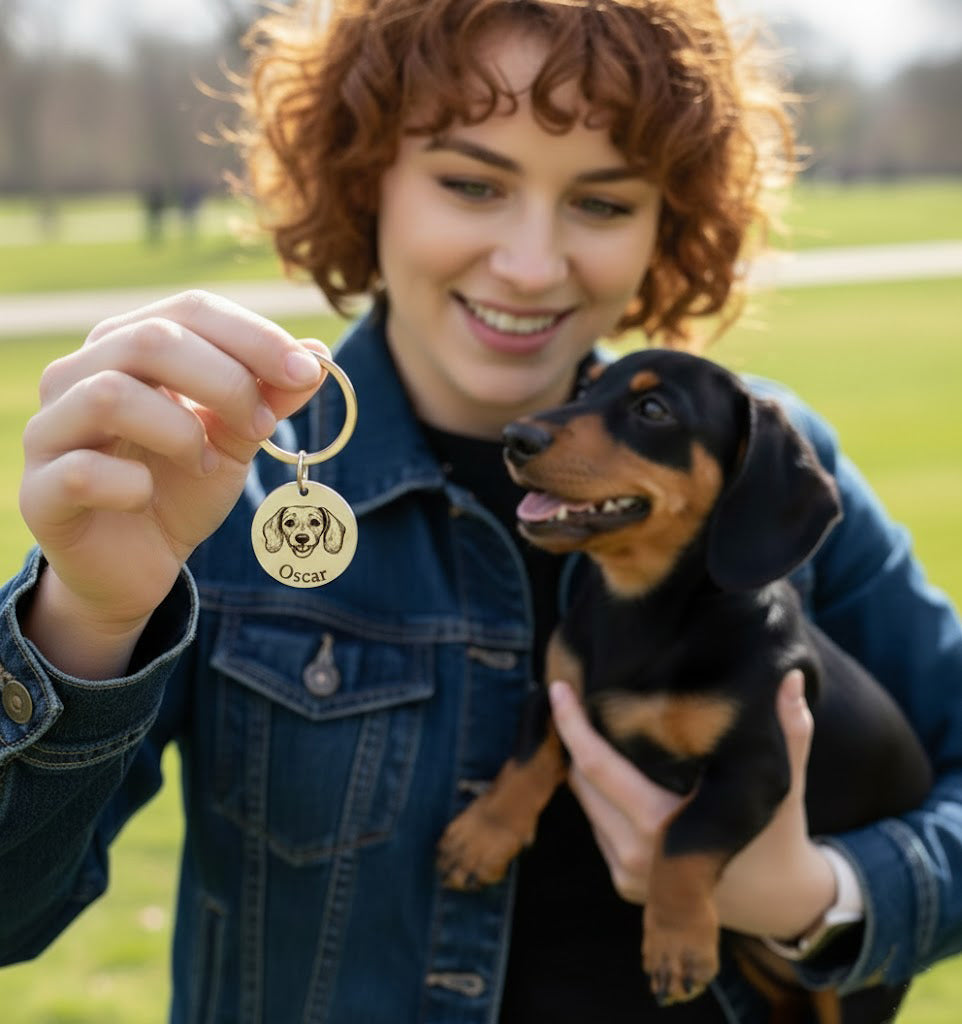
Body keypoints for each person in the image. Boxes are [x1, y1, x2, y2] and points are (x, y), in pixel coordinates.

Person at [1, 1, 961, 1021]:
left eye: (600, 202)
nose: (530, 263)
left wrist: (816, 899)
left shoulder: (767, 470)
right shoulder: (216, 490)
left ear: (662, 221)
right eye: (470, 182)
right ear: (364, 172)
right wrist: (87, 621)